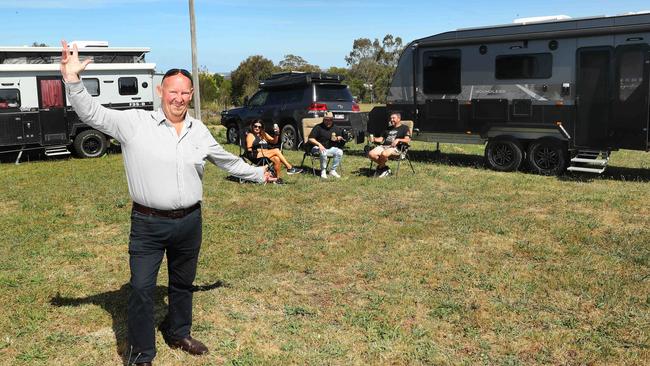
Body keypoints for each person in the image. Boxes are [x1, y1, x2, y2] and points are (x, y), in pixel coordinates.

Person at [60, 40, 275, 366]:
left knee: (182, 283)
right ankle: (141, 354)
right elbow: (92, 112)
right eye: (173, 92)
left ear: (191, 95)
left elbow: (225, 161)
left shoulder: (199, 130)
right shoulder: (134, 124)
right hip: (148, 224)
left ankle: (178, 332)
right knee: (143, 289)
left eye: (185, 93)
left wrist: (259, 175)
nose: (179, 98)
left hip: (190, 221)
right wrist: (72, 81)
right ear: (161, 91)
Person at [245, 119, 302, 183]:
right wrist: (260, 150)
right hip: (255, 155)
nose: (257, 128)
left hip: (265, 155)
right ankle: (289, 167)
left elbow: (274, 141)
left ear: (262, 128)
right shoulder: (250, 135)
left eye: (259, 127)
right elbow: (249, 149)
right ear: (252, 126)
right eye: (255, 126)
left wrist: (276, 134)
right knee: (276, 150)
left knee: (276, 158)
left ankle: (277, 179)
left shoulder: (263, 134)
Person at [367, 112, 411, 178]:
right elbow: (381, 139)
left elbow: (408, 140)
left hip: (397, 148)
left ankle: (381, 169)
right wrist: (374, 139)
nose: (391, 120)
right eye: (391, 118)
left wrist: (398, 140)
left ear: (399, 119)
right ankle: (384, 168)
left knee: (384, 154)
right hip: (384, 146)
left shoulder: (405, 128)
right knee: (371, 154)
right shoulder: (388, 128)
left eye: (393, 118)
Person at [307, 111, 344, 178]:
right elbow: (310, 139)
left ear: (332, 120)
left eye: (330, 120)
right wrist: (319, 145)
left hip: (329, 148)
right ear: (324, 119)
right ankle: (323, 171)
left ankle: (333, 170)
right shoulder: (318, 127)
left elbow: (340, 137)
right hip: (316, 148)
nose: (328, 121)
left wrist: (338, 138)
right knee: (323, 152)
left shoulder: (335, 128)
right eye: (326, 120)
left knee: (340, 152)